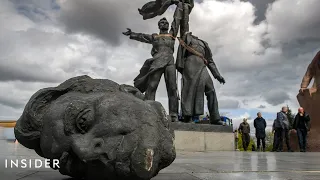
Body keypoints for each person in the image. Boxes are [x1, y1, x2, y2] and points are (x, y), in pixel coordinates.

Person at [122, 3, 184, 122]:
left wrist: (179, 7)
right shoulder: (155, 37)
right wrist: (132, 34)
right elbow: (142, 36)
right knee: (152, 86)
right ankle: (149, 110)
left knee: (172, 88)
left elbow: (177, 20)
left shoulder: (172, 35)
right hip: (157, 61)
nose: (164, 24)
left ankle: (173, 114)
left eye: (166, 22)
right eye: (162, 22)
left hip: (170, 62)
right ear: (159, 25)